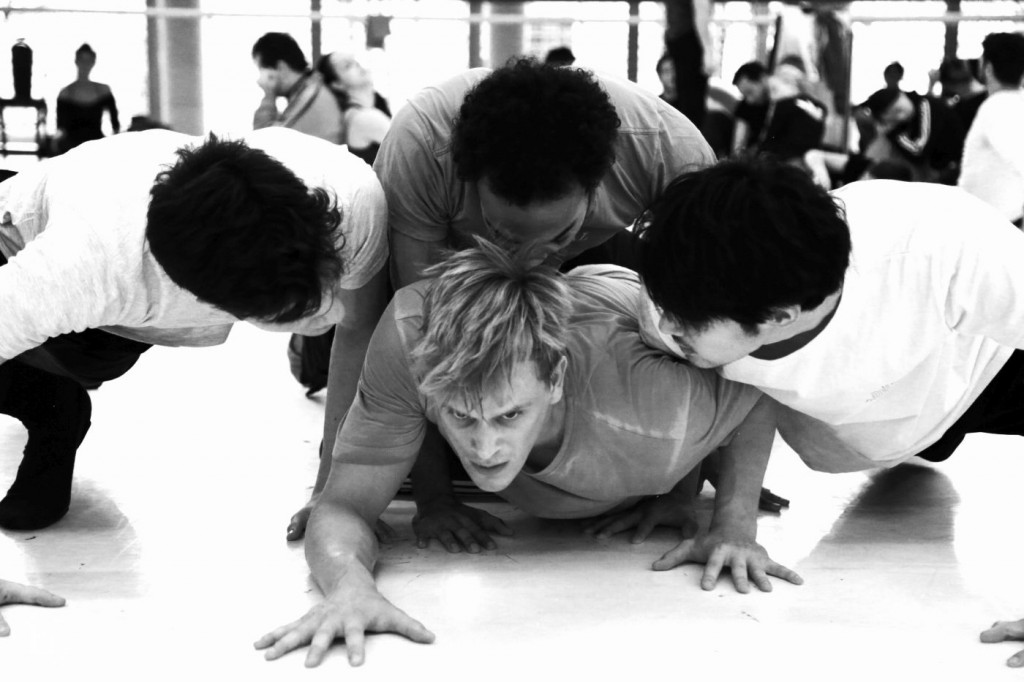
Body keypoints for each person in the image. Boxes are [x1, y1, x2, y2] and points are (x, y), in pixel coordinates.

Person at [254, 242, 801, 667]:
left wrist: (728, 519)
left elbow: (756, 389)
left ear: (556, 381)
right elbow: (343, 504)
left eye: (509, 416)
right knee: (321, 364)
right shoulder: (408, 340)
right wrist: (350, 585)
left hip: (619, 303)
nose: (485, 448)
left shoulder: (653, 418)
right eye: (461, 416)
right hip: (552, 311)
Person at [634, 156, 1024, 670]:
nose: (666, 326)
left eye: (682, 323)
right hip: (859, 433)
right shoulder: (679, 297)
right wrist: (729, 522)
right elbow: (743, 391)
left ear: (780, 317)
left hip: (982, 372)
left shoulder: (943, 244)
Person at [0, 126, 387, 632]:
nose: (334, 305)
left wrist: (330, 491)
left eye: (330, 274)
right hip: (17, 241)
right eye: (299, 310)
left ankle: (58, 400)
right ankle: (45, 399)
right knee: (60, 357)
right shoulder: (84, 267)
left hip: (114, 308)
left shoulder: (350, 193)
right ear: (205, 301)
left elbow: (358, 328)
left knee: (96, 364)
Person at [958, 32, 1024, 228]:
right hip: (997, 220)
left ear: (987, 68)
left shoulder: (998, 107)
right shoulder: (1015, 102)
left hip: (990, 226)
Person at [858, 85, 965, 183]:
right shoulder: (908, 117)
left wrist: (893, 133)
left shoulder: (926, 105)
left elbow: (918, 151)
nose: (899, 116)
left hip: (953, 169)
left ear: (902, 95)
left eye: (898, 110)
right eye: (893, 116)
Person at [251, 32, 344, 145]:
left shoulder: (310, 96)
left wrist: (268, 95)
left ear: (281, 67)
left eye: (261, 69)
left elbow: (262, 142)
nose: (259, 80)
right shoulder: (309, 87)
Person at [315, 51, 392, 166]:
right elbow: (416, 150)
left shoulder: (362, 111)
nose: (358, 65)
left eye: (355, 61)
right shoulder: (364, 118)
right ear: (337, 84)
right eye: (347, 66)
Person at [54, 44, 119, 155]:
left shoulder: (103, 90)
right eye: (82, 60)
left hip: (95, 144)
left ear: (93, 63)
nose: (85, 64)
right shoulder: (66, 92)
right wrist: (55, 142)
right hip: (70, 146)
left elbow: (115, 124)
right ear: (76, 61)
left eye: (88, 60)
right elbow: (60, 127)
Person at [730, 61, 770, 155]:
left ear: (763, 79)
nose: (749, 100)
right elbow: (739, 141)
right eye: (744, 95)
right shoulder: (744, 106)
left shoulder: (778, 104)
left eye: (750, 92)